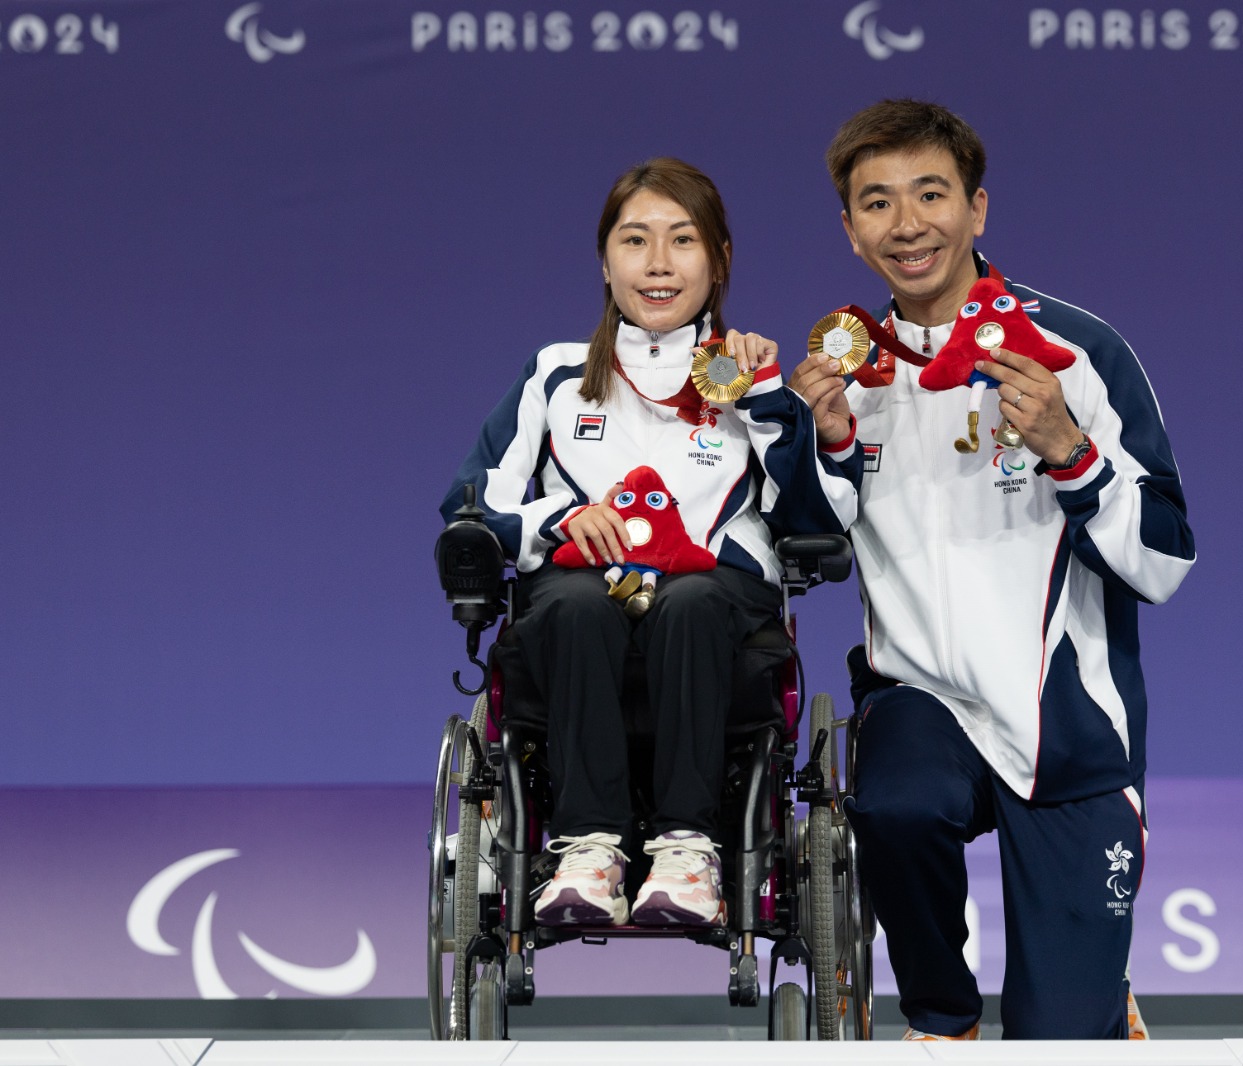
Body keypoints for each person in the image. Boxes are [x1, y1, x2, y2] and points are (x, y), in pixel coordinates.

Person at [789, 100, 1194, 1039]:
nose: (908, 224)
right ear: (851, 233)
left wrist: (1068, 450)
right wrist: (835, 443)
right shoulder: (840, 373)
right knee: (891, 806)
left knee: (1064, 1041)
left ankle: (1093, 996)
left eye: (931, 194)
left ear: (978, 208)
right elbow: (805, 549)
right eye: (878, 204)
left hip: (1069, 729)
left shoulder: (1076, 354)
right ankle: (940, 1011)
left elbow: (1167, 562)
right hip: (921, 699)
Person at [442, 158, 858, 929]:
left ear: (721, 258)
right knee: (572, 603)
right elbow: (473, 504)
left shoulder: (751, 379)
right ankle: (587, 850)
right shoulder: (555, 376)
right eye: (635, 241)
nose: (658, 264)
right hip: (577, 603)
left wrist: (771, 402)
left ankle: (689, 852)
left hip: (717, 613)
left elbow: (816, 518)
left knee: (692, 601)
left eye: (682, 240)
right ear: (606, 261)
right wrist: (557, 524)